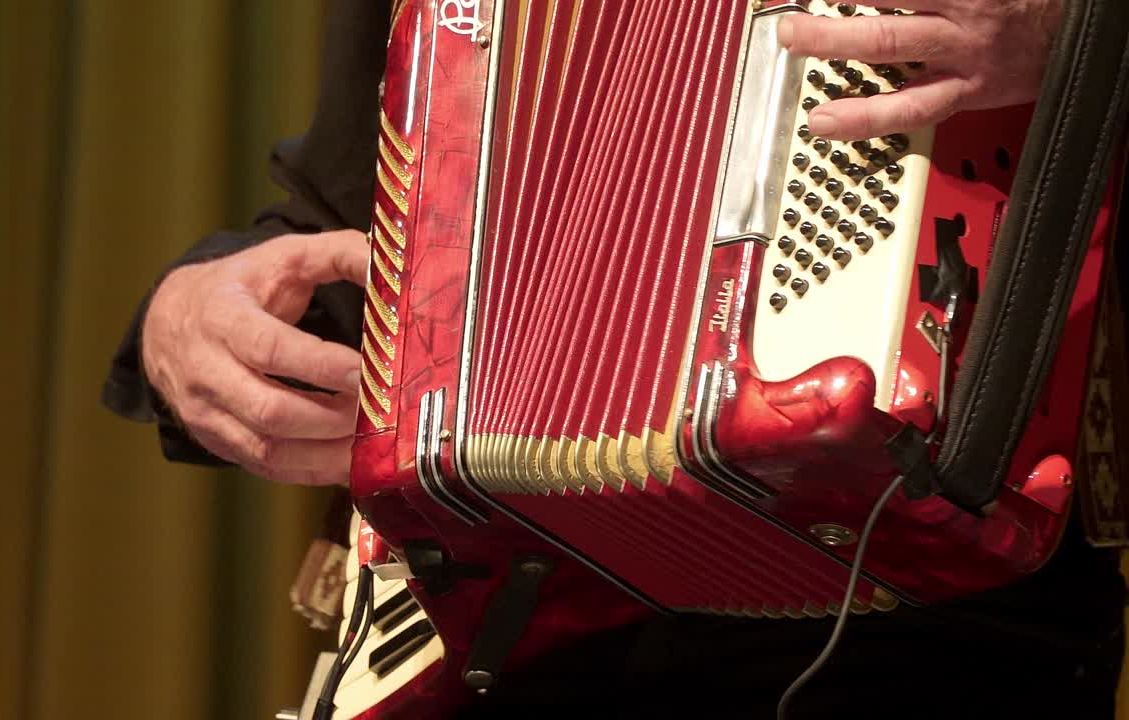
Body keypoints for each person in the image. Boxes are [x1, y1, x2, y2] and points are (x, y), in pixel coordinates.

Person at [101, 1, 1126, 717]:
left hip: (934, 613)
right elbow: (341, 235)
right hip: (513, 625)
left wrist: (1080, 37)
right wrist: (183, 315)